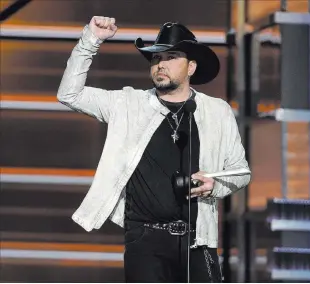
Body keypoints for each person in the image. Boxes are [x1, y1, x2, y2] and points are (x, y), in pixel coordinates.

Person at [57, 16, 251, 283]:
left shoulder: (216, 111)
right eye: (156, 58)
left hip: (198, 237)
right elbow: (69, 94)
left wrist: (214, 184)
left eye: (171, 57)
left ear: (191, 66)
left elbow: (241, 172)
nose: (161, 64)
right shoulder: (127, 103)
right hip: (145, 239)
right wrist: (90, 41)